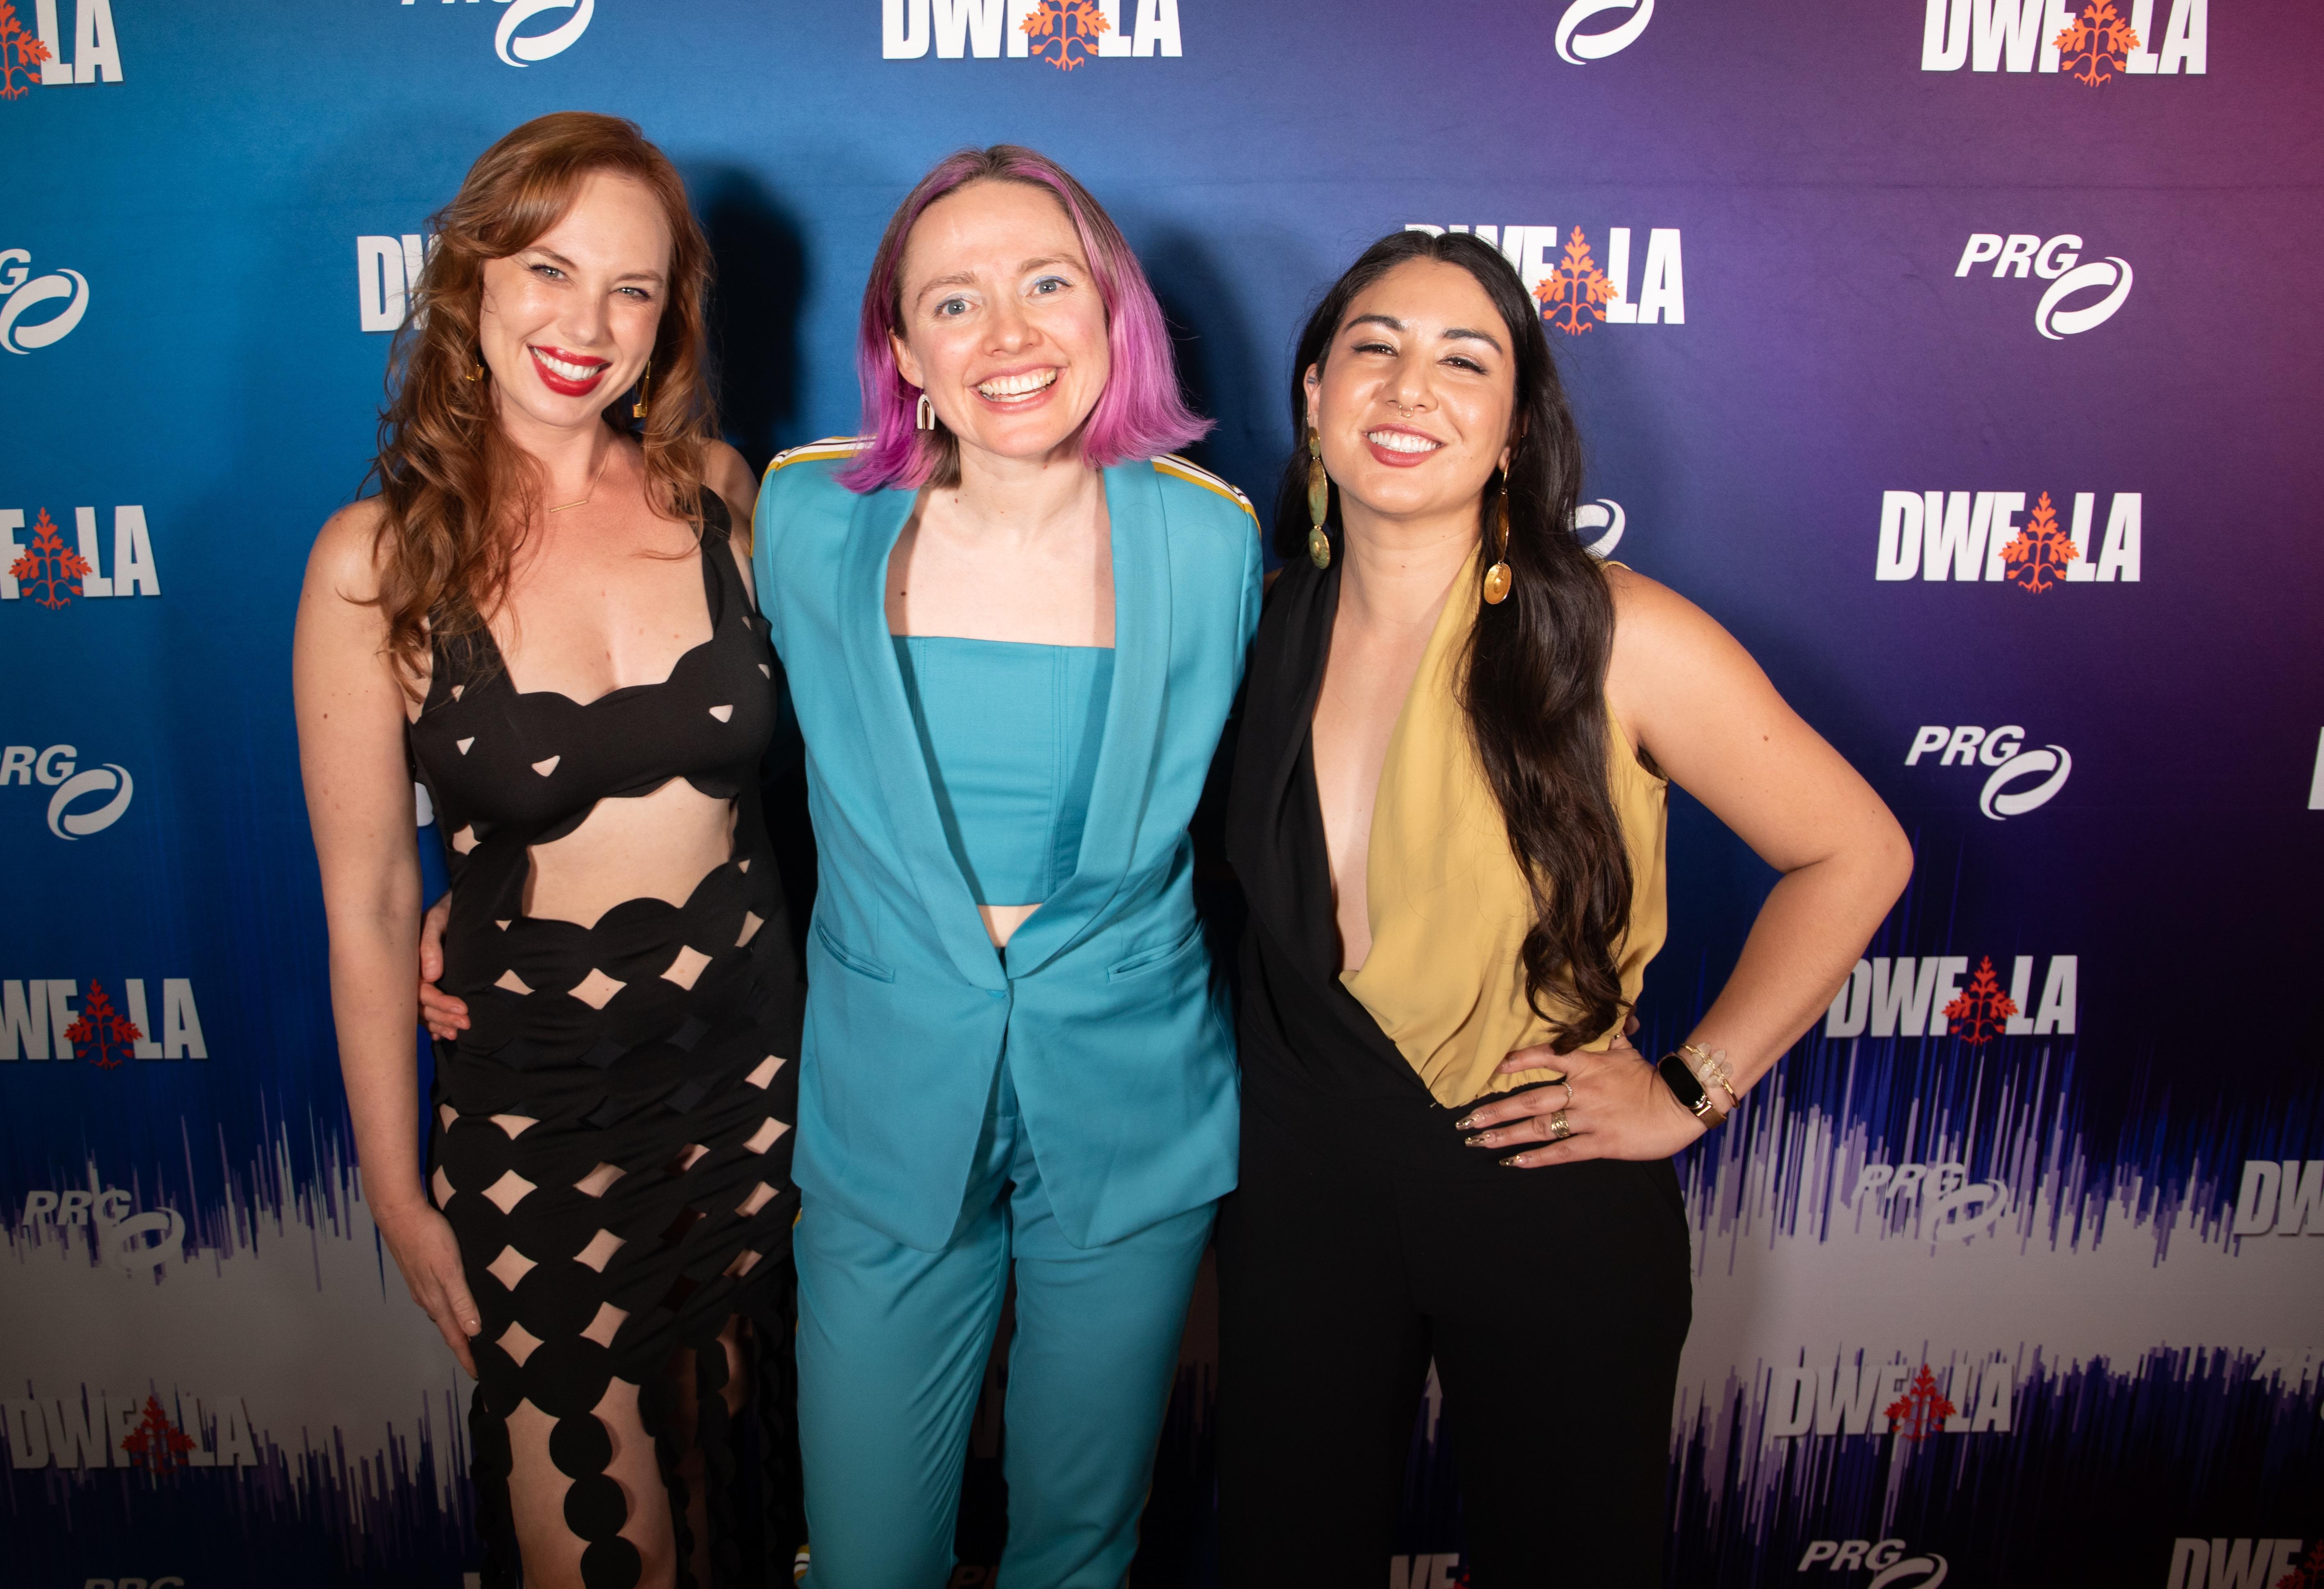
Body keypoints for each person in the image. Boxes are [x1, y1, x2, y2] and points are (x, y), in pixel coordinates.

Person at [1214, 230, 1914, 1587]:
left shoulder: (1616, 629)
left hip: (1544, 1189)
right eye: (1374, 348)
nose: (1411, 388)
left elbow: (1855, 852)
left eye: (1462, 360)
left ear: (1514, 425)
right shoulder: (1255, 625)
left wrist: (1687, 1090)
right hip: (1299, 1191)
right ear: (1312, 394)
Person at [294, 113, 802, 1589]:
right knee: (597, 1524)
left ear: (670, 318)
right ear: (472, 283)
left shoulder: (721, 492)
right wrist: (398, 1190)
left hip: (758, 1084)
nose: (585, 325)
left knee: (736, 1506)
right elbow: (373, 901)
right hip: (539, 1121)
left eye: (631, 289)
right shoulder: (371, 561)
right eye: (548, 269)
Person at [748, 146, 1260, 1588]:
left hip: (1130, 1102)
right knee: (864, 1559)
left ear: (1112, 311)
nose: (1011, 334)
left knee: (1077, 1548)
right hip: (884, 1100)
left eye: (1047, 284)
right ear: (903, 348)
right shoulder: (800, 516)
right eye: (954, 302)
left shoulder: (1212, 541)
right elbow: (665, 721)